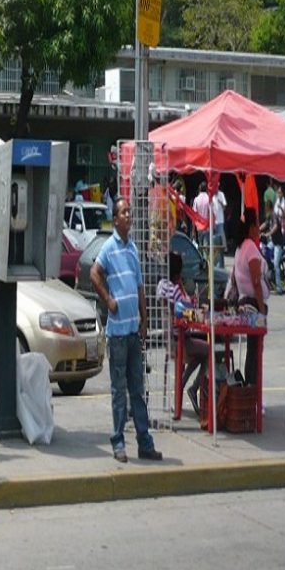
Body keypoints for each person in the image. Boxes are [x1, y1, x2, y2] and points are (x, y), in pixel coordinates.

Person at [90, 197, 162, 463]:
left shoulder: (132, 248)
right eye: (123, 212)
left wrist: (145, 319)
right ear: (115, 219)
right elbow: (94, 274)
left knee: (137, 389)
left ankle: (145, 442)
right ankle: (118, 441)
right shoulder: (108, 248)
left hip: (133, 331)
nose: (128, 215)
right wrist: (108, 300)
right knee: (119, 391)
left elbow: (140, 286)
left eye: (129, 211)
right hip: (118, 334)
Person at [157, 251, 208, 417]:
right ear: (178, 273)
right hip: (180, 341)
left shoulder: (161, 286)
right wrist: (184, 291)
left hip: (168, 340)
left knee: (199, 355)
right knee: (209, 352)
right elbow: (189, 309)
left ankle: (182, 389)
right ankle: (193, 388)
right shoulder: (175, 291)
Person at [231, 208, 269, 386]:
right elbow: (256, 282)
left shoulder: (240, 248)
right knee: (255, 351)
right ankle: (253, 389)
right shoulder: (251, 248)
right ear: (252, 227)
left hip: (243, 304)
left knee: (252, 350)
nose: (259, 228)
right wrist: (262, 310)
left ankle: (250, 388)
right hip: (253, 305)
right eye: (257, 225)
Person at [192, 181, 210, 249]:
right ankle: (205, 259)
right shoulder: (209, 199)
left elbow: (194, 215)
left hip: (199, 227)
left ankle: (201, 259)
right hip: (207, 227)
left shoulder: (196, 200)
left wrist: (193, 230)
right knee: (206, 247)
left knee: (200, 247)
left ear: (199, 189)